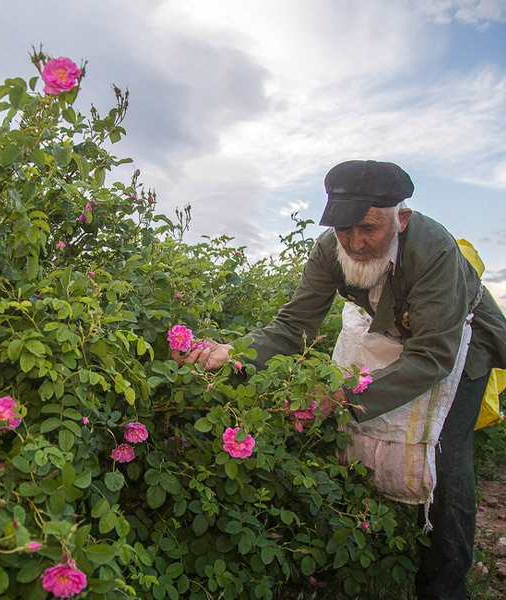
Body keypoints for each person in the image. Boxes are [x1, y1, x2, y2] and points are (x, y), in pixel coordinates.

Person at [175, 160, 506, 600]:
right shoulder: (332, 248)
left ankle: (446, 586)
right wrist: (232, 352)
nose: (355, 242)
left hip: (459, 341)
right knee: (357, 437)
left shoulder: (435, 252)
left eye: (367, 228)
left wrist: (343, 396)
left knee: (443, 456)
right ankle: (379, 546)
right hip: (399, 335)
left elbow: (432, 357)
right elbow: (295, 326)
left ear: (400, 218)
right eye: (343, 229)